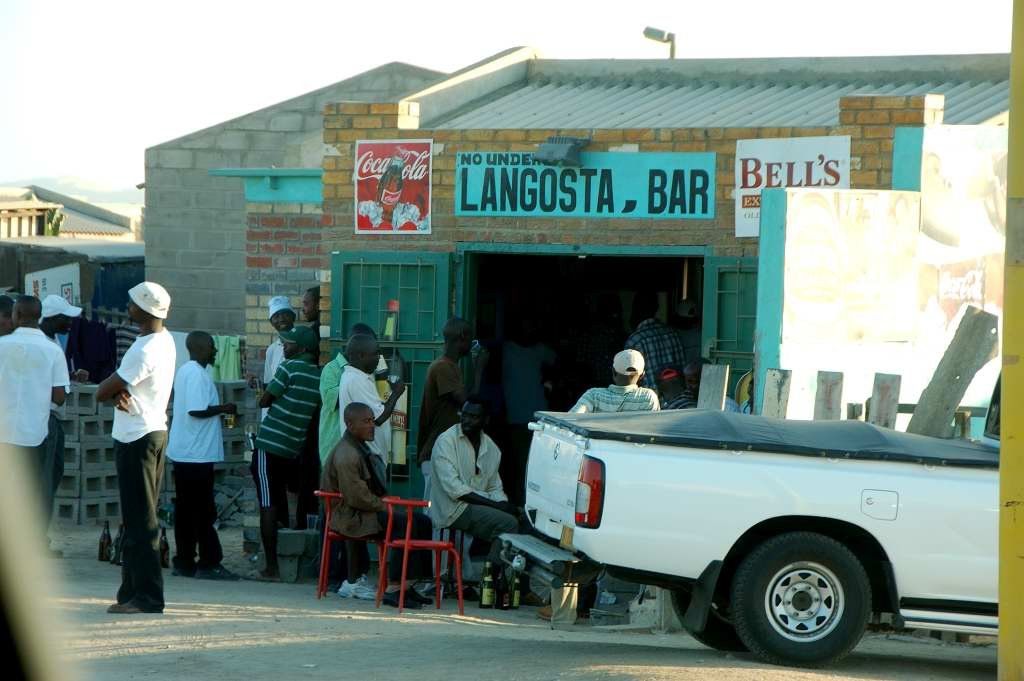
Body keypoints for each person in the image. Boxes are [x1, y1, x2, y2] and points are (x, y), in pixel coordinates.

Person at [96, 282, 176, 614]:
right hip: (150, 431)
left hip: (136, 438)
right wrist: (119, 392)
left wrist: (113, 391)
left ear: (143, 309)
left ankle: (147, 597)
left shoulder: (144, 350)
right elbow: (122, 389)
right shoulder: (164, 340)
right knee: (136, 518)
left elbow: (102, 391)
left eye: (131, 303)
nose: (127, 307)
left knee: (141, 522)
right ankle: (129, 592)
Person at [322, 403, 433, 608]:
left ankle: (409, 584)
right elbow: (357, 497)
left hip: (363, 511)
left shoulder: (360, 446)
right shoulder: (347, 453)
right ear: (350, 425)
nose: (372, 425)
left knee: (423, 521)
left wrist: (385, 505)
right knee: (402, 523)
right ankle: (393, 589)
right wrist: (385, 506)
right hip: (350, 516)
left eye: (372, 420)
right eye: (366, 421)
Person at [166, 331, 239, 581]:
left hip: (185, 452)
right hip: (196, 454)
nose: (215, 351)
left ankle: (184, 561)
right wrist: (225, 408)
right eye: (211, 347)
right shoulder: (196, 374)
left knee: (186, 510)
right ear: (197, 349)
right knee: (202, 510)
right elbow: (196, 410)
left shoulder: (186, 371)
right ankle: (209, 562)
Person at [0, 296, 70, 551]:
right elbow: (59, 397)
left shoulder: (2, 345)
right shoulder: (53, 351)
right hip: (36, 434)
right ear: (38, 316)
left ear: (17, 315)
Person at [252, 325, 321, 581]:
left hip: (269, 444)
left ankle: (271, 568)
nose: (284, 347)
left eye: (288, 344)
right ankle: (280, 560)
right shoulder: (318, 375)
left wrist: (262, 392)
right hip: (292, 448)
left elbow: (265, 401)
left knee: (267, 504)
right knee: (279, 499)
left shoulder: (288, 367)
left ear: (301, 348)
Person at [429, 397, 518, 567]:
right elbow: (455, 490)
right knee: (509, 524)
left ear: (485, 420)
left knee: (520, 521)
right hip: (452, 509)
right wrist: (496, 506)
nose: (467, 420)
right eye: (464, 415)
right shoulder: (446, 441)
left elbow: (494, 487)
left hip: (475, 506)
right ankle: (491, 574)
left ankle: (496, 574)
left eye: (474, 417)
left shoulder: (491, 448)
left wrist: (503, 504)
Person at [417, 317, 485, 502]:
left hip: (444, 452)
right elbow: (469, 404)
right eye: (470, 338)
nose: (472, 343)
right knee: (435, 512)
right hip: (437, 452)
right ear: (462, 336)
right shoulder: (443, 367)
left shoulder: (451, 367)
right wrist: (479, 370)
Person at [38, 295, 84, 557]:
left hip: (53, 418)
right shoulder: (44, 345)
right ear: (53, 318)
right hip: (46, 417)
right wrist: (63, 388)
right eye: (66, 319)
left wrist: (71, 377)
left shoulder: (53, 341)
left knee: (53, 475)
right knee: (44, 480)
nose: (70, 323)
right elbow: (56, 394)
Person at [501, 316, 555, 506]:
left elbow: (558, 364)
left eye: (531, 327)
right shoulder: (506, 349)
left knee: (539, 465)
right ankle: (521, 505)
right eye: (525, 327)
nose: (528, 331)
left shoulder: (540, 350)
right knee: (520, 465)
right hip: (516, 418)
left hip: (539, 418)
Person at [337, 334, 405, 464]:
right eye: (375, 354)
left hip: (367, 457)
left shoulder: (358, 377)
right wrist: (396, 393)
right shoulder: (356, 380)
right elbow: (379, 418)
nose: (379, 358)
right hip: (367, 459)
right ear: (361, 356)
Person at [625, 292, 687, 390]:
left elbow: (629, 382)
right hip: (676, 397)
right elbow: (683, 370)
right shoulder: (673, 333)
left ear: (635, 309)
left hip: (650, 398)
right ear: (657, 307)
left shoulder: (635, 340)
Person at [570, 350, 660, 414]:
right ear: (642, 375)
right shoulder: (648, 397)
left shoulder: (593, 395)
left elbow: (571, 421)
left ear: (613, 371)